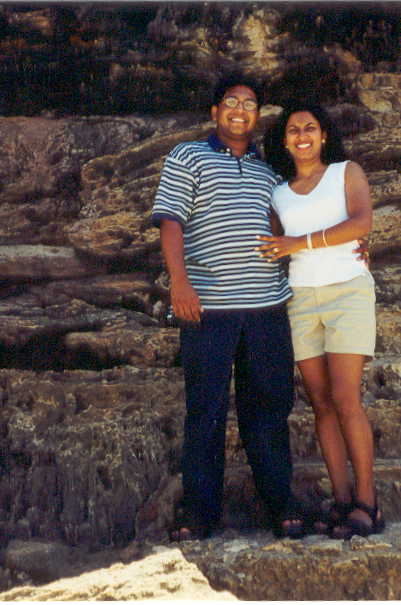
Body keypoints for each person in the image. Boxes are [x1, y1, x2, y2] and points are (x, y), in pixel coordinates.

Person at [151, 71, 306, 540]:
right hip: (209, 309)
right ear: (215, 112)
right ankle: (201, 514)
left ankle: (279, 504)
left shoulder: (269, 169)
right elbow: (171, 221)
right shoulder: (188, 156)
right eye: (232, 102)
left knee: (269, 411)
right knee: (206, 413)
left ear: (258, 117)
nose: (241, 110)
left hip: (266, 309)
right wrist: (179, 282)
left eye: (250, 104)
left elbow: (298, 220)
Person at [258, 101, 385, 539]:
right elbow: (275, 247)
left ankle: (368, 503)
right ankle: (342, 498)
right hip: (300, 301)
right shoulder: (277, 192)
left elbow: (361, 223)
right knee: (321, 403)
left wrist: (301, 242)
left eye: (310, 128)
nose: (302, 135)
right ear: (285, 140)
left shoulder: (346, 172)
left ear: (324, 135)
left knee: (347, 398)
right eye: (293, 129)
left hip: (348, 289)